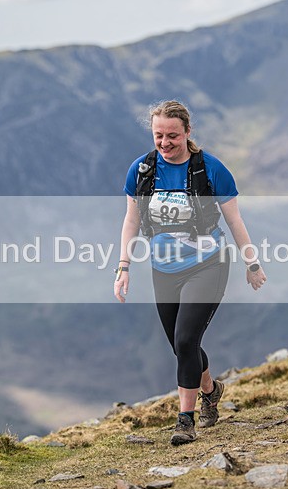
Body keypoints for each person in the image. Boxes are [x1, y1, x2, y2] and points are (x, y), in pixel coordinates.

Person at [114, 100, 266, 446]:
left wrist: (252, 263)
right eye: (158, 136)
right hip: (163, 268)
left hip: (207, 265)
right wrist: (124, 267)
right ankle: (211, 390)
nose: (165, 143)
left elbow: (234, 220)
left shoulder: (211, 170)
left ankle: (186, 420)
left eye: (172, 136)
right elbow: (132, 220)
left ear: (187, 133)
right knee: (182, 346)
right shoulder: (141, 171)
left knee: (185, 342)